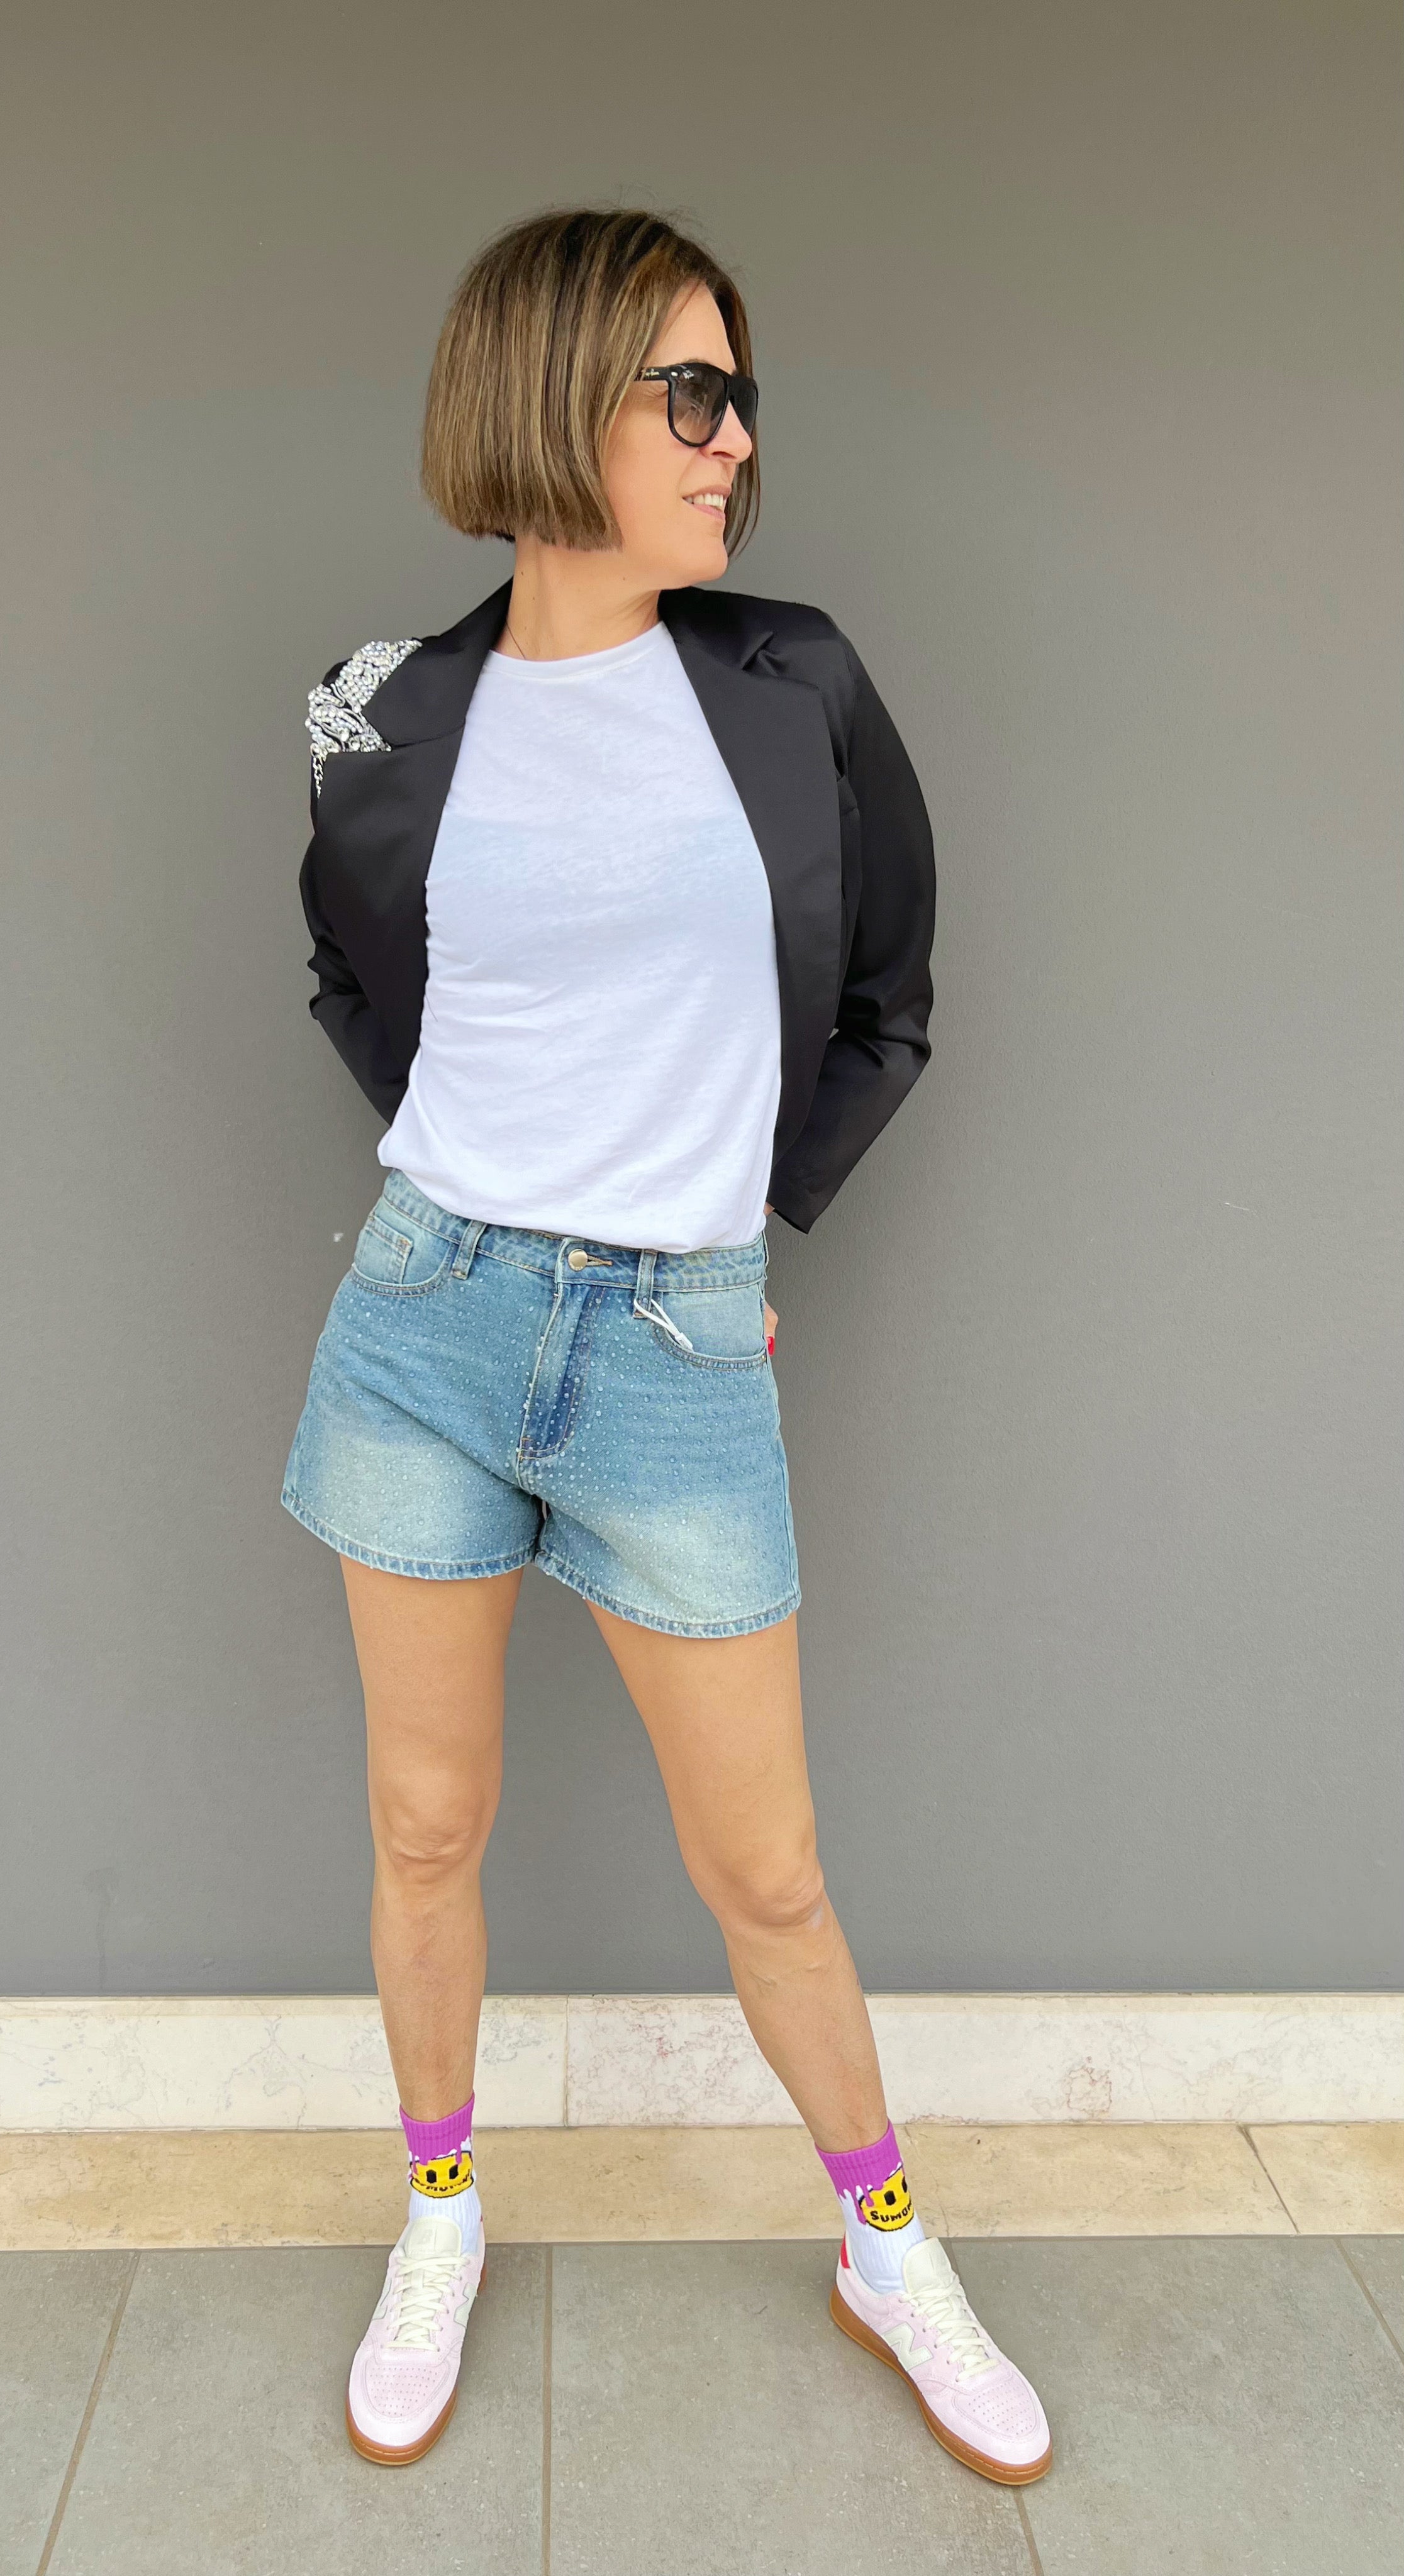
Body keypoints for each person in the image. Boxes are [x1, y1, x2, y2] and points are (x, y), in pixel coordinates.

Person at [282, 206, 1051, 2487]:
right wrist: (491, 1196)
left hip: (677, 1355)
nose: (735, 441)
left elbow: (889, 993)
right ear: (552, 402)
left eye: (740, 399)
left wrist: (719, 1231)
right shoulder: (385, 712)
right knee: (427, 1827)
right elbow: (357, 976)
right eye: (689, 395)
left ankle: (886, 2243)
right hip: (423, 1324)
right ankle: (441, 2207)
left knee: (771, 1872)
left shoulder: (795, 683)